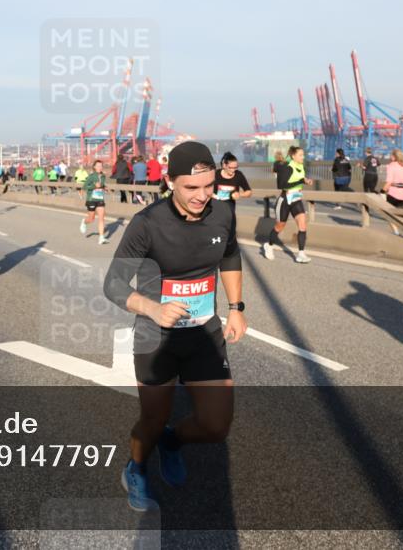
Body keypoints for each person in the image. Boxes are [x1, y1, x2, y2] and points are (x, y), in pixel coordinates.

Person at [103, 140, 247, 512]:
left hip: (204, 334)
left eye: (209, 186)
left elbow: (230, 256)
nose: (203, 196)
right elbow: (113, 285)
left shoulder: (223, 215)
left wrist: (236, 307)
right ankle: (136, 467)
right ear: (169, 182)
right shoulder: (147, 224)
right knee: (152, 418)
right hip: (157, 338)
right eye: (191, 188)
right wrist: (152, 307)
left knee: (216, 425)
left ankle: (172, 442)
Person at [262, 145, 314, 264]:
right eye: (301, 155)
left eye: (303, 154)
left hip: (296, 199)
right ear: (293, 156)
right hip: (285, 199)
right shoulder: (287, 167)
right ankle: (269, 245)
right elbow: (282, 185)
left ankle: (301, 254)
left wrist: (305, 180)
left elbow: (298, 177)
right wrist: (301, 181)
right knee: (280, 226)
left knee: (302, 224)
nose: (303, 157)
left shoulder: (300, 166)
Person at [80, 160, 110, 245]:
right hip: (91, 199)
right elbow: (84, 187)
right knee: (91, 218)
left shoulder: (103, 176)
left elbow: (102, 185)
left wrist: (105, 188)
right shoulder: (91, 176)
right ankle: (84, 222)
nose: (100, 167)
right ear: (94, 167)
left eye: (101, 166)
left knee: (101, 217)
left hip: (100, 199)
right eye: (98, 166)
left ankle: (101, 237)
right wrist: (94, 186)